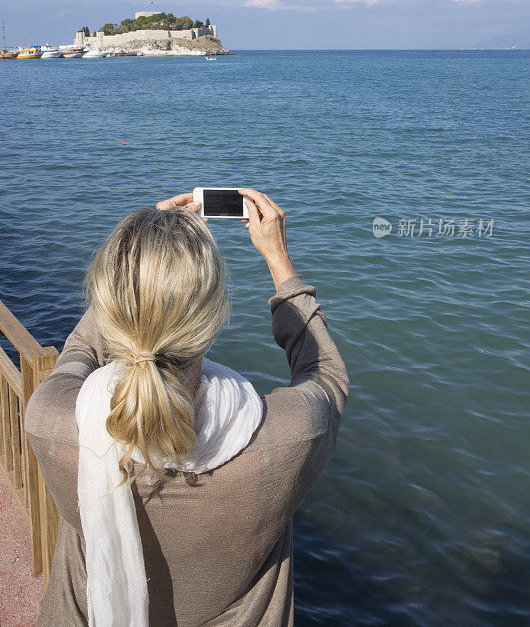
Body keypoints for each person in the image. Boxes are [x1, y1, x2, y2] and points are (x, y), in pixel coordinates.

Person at [24, 187, 350, 627]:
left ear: (111, 301)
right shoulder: (287, 440)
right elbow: (325, 374)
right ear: (213, 318)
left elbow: (81, 349)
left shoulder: (50, 422)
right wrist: (278, 260)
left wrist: (139, 260)